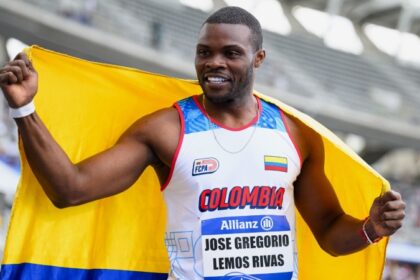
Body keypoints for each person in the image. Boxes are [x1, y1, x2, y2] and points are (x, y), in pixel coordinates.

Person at [0, 6, 406, 280]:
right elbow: (70, 189)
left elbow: (332, 233)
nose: (215, 63)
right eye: (204, 52)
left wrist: (370, 228)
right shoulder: (167, 129)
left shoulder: (295, 135)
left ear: (258, 58)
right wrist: (25, 111)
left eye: (231, 53)